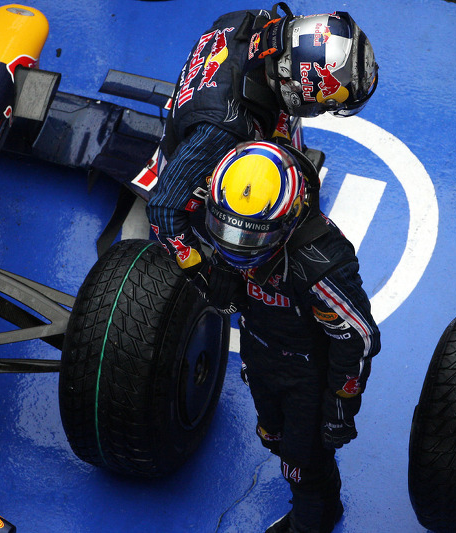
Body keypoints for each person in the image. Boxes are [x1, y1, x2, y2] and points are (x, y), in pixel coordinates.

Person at [145, 5, 379, 531]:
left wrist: (341, 406)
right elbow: (163, 210)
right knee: (272, 435)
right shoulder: (226, 137)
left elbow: (357, 339)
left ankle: (314, 519)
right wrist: (208, 269)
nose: (237, 251)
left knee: (301, 459)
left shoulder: (248, 22)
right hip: (261, 345)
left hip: (302, 370)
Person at [146, 2, 378, 269]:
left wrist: (279, 135)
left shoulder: (256, 22)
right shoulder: (227, 130)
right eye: (325, 103)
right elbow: (163, 210)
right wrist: (201, 274)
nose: (322, 108)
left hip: (200, 102)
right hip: (197, 150)